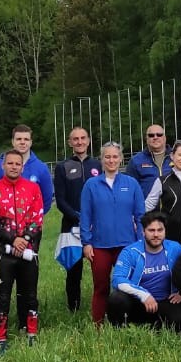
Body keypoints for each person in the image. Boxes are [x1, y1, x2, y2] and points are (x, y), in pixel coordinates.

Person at [0, 148, 45, 352]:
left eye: (17, 164)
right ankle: (1, 337)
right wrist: (13, 239)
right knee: (1, 294)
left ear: (22, 166)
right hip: (4, 252)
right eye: (10, 163)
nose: (13, 166)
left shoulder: (33, 188)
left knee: (29, 293)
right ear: (3, 165)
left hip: (28, 250)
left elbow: (38, 219)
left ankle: (31, 332)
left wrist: (24, 240)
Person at [79, 142, 145, 325]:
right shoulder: (91, 185)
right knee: (101, 287)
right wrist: (86, 243)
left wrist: (140, 242)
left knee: (129, 286)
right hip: (100, 246)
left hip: (127, 245)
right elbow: (85, 216)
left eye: (115, 156)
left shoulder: (131, 183)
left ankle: (129, 321)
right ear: (101, 159)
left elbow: (140, 216)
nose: (111, 160)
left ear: (121, 159)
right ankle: (98, 325)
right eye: (107, 156)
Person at [106, 213, 181, 330]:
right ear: (143, 232)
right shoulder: (130, 251)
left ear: (165, 231)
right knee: (116, 299)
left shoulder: (175, 248)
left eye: (160, 230)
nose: (156, 234)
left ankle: (154, 327)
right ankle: (119, 331)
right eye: (151, 230)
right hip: (139, 302)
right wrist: (144, 295)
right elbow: (118, 280)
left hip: (166, 301)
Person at [53, 126, 102, 313]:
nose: (80, 142)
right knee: (73, 272)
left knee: (100, 269)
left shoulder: (98, 165)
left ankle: (100, 306)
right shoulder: (62, 167)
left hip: (96, 227)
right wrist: (78, 216)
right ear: (70, 142)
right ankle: (73, 308)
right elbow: (61, 200)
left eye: (83, 138)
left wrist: (94, 218)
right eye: (75, 139)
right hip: (72, 226)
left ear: (88, 141)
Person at [0, 124, 54, 214]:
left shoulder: (42, 168)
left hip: (31, 225)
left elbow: (47, 201)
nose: (22, 142)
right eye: (19, 139)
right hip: (3, 225)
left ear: (31, 142)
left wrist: (33, 220)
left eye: (26, 139)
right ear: (12, 142)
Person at [144, 140, 181, 245]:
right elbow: (148, 205)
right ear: (172, 156)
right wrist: (136, 221)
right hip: (169, 236)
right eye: (180, 155)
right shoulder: (162, 181)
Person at [126, 124, 169, 198]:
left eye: (159, 135)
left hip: (174, 208)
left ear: (164, 138)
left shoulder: (176, 158)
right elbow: (130, 189)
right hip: (147, 208)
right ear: (147, 139)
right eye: (151, 135)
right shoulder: (135, 161)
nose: (155, 137)